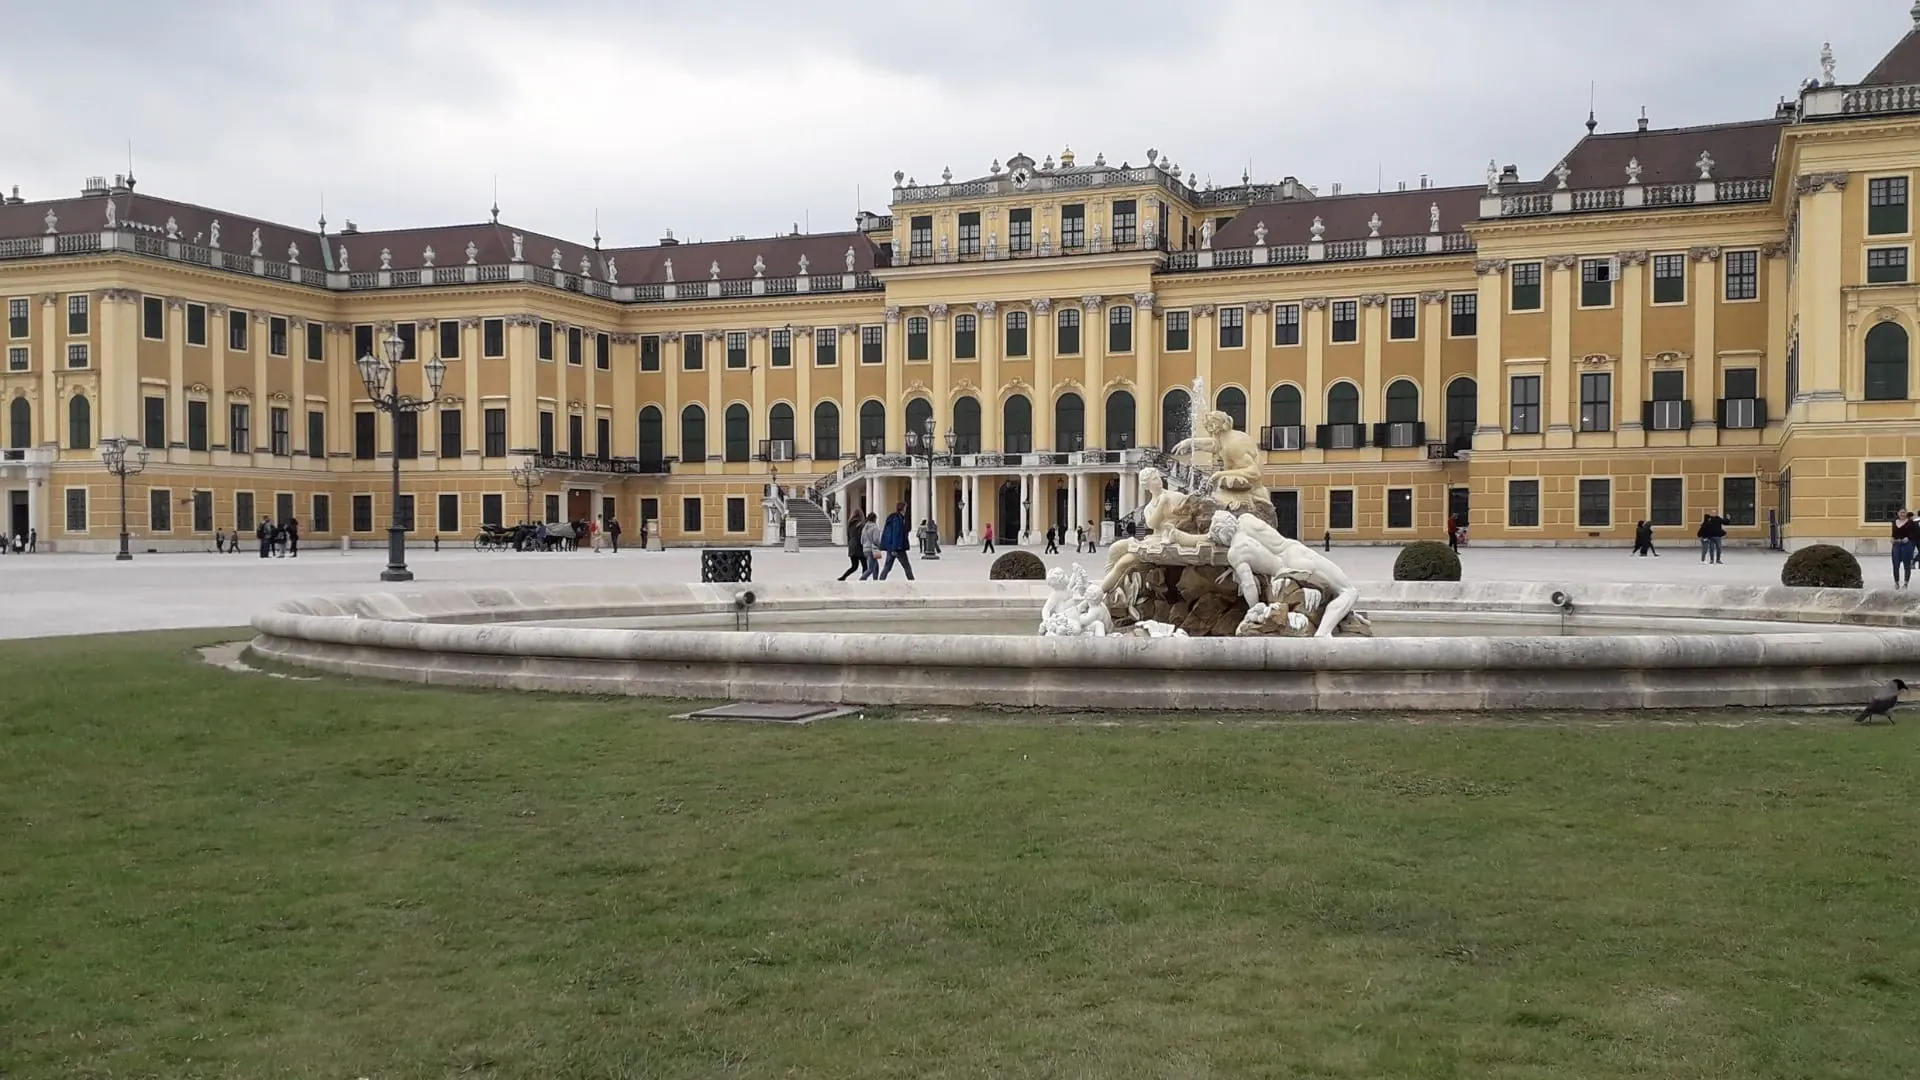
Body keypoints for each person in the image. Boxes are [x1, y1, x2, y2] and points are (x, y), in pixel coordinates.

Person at [880, 502, 915, 580]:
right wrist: (895, 548)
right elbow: (896, 534)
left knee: (887, 567)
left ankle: (881, 581)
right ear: (903, 509)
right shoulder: (898, 519)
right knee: (907, 567)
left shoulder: (894, 518)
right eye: (905, 508)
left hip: (892, 547)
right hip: (898, 548)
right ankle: (912, 581)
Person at [1892, 509, 1920, 588]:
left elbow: (1916, 533)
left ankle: (1905, 583)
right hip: (1896, 544)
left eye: (1904, 513)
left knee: (1906, 565)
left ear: (1906, 514)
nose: (1902, 514)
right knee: (1895, 564)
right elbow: (1894, 533)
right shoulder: (1894, 522)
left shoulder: (1911, 522)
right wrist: (1892, 538)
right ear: (1898, 513)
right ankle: (1896, 582)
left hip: (1907, 545)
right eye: (1901, 513)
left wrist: (1908, 538)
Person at [837, 516, 866, 581]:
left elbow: (848, 535)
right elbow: (860, 536)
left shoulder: (850, 525)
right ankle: (863, 579)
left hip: (852, 546)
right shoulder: (860, 525)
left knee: (854, 566)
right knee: (865, 565)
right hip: (859, 547)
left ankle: (843, 577)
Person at [860, 512, 882, 579]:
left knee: (876, 566)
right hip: (872, 550)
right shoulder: (875, 527)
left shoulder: (864, 528)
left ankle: (875, 580)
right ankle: (861, 579)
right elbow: (876, 540)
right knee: (871, 569)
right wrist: (880, 546)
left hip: (865, 550)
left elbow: (861, 540)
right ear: (874, 519)